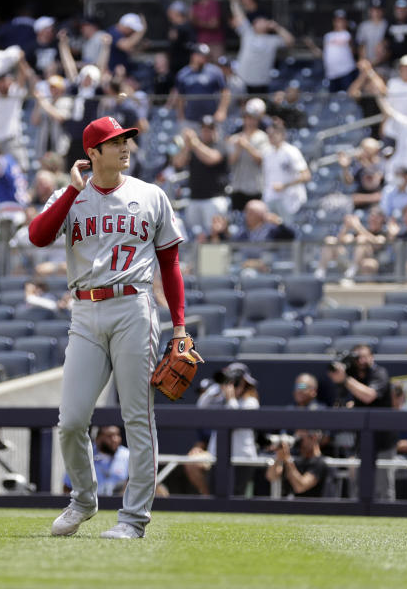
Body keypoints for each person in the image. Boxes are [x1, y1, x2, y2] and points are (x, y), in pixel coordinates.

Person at [29, 115, 191, 540]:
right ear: (92, 153)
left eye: (127, 140)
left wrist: (179, 327)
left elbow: (170, 265)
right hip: (84, 311)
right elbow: (37, 236)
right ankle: (83, 499)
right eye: (115, 142)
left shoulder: (150, 194)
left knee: (137, 417)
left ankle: (133, 520)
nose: (125, 147)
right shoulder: (72, 197)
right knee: (71, 420)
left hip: (133, 306)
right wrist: (70, 191)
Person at [327, 343, 395, 500]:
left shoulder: (380, 373)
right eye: (357, 357)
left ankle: (388, 519)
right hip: (362, 440)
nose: (361, 360)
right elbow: (343, 398)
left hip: (383, 440)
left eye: (364, 356)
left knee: (383, 486)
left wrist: (346, 379)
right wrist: (340, 377)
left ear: (372, 357)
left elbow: (369, 395)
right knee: (358, 484)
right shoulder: (354, 375)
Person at [185, 362, 260, 496]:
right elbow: (201, 406)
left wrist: (230, 399)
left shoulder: (251, 402)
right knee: (216, 495)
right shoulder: (221, 399)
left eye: (238, 382)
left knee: (235, 497)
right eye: (232, 382)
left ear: (245, 384)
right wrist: (218, 386)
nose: (234, 386)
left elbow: (235, 421)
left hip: (242, 459)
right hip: (218, 457)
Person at [227, 0, 294, 95]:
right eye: (257, 21)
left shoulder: (272, 40)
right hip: (243, 81)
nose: (259, 23)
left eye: (262, 21)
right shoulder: (247, 33)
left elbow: (290, 41)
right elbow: (238, 14)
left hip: (261, 83)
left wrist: (277, 27)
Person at [172, 117, 228, 237]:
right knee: (194, 236)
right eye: (204, 129)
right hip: (194, 199)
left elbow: (212, 159)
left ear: (215, 130)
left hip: (214, 199)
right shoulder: (193, 147)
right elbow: (178, 163)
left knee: (213, 235)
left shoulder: (220, 145)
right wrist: (187, 145)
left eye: (210, 129)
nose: (207, 131)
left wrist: (195, 142)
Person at [261, 120, 310, 225]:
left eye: (273, 134)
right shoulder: (267, 152)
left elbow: (306, 175)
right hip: (271, 197)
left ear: (282, 135)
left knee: (288, 232)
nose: (270, 137)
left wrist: (284, 185)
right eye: (269, 134)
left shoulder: (291, 151)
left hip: (289, 200)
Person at [170, 43, 229, 126]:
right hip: (190, 117)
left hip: (211, 117)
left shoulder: (215, 71)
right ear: (194, 55)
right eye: (201, 55)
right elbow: (180, 97)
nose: (204, 58)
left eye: (205, 56)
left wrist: (222, 110)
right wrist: (181, 115)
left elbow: (225, 92)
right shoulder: (183, 74)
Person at [227, 98, 268, 211]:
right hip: (237, 187)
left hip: (255, 187)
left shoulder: (262, 137)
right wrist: (238, 149)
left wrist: (247, 146)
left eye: (252, 118)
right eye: (247, 118)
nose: (249, 121)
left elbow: (261, 160)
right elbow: (229, 162)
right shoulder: (235, 138)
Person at [62, 426, 129, 495]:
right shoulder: (83, 456)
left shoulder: (127, 456)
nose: (115, 439)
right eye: (110, 436)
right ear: (98, 438)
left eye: (117, 435)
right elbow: (68, 486)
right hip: (89, 504)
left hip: (118, 504)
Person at [266, 429, 329, 498]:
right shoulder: (295, 460)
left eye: (301, 439)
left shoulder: (320, 463)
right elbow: (272, 476)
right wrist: (279, 456)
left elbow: (300, 487)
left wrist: (287, 459)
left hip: (311, 507)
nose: (299, 443)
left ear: (314, 437)